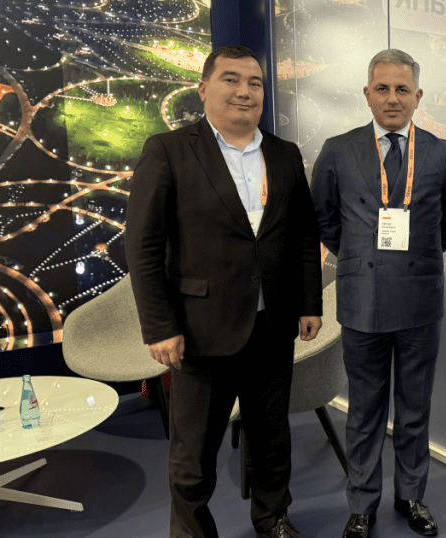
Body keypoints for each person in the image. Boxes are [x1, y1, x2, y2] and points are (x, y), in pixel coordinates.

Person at [125, 45, 322, 538]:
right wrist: (160, 326)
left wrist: (309, 304)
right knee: (194, 452)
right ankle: (191, 531)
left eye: (254, 83)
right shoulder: (169, 150)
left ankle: (273, 519)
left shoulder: (284, 154)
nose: (244, 92)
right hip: (200, 331)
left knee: (271, 437)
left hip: (272, 325)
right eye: (231, 79)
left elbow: (302, 235)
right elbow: (143, 247)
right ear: (203, 89)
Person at [311, 48, 446, 538]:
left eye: (402, 89)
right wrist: (357, 255)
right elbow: (324, 219)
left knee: (414, 409)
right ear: (367, 94)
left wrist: (418, 254)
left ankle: (411, 496)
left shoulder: (442, 153)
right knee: (365, 411)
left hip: (420, 299)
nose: (392, 98)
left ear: (418, 96)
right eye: (383, 88)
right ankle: (362, 503)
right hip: (362, 300)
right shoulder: (337, 149)